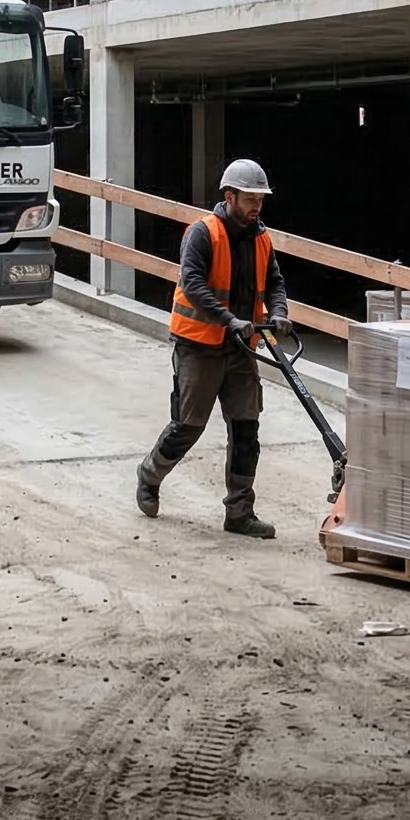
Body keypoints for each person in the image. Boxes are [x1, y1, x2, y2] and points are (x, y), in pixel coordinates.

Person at [139, 160, 290, 538]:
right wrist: (228, 319)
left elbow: (274, 283)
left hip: (242, 349)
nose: (257, 206)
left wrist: (281, 311)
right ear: (230, 196)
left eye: (261, 199)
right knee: (188, 426)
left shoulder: (262, 238)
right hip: (199, 347)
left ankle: (239, 512)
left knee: (246, 429)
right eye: (251, 199)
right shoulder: (202, 234)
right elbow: (192, 284)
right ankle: (149, 475)